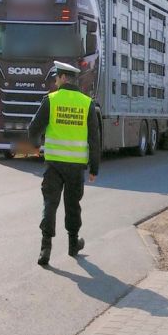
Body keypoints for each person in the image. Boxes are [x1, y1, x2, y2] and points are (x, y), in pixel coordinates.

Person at [27, 61, 101, 266]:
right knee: (72, 205)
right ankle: (72, 245)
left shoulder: (51, 100)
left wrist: (35, 146)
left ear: (61, 78)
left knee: (50, 204)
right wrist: (94, 167)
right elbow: (94, 139)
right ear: (74, 79)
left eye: (55, 78)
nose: (55, 81)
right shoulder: (87, 103)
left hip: (54, 165)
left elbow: (33, 129)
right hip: (76, 166)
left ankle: (45, 249)